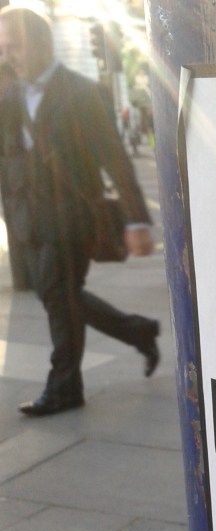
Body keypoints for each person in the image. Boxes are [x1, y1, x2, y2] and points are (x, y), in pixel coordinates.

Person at [0, 7, 160, 416]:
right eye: (3, 48)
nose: (7, 56)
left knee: (57, 294)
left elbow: (114, 158)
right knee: (59, 295)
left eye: (13, 47)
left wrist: (137, 219)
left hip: (71, 219)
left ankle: (64, 387)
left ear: (40, 43)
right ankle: (138, 331)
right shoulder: (9, 95)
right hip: (28, 220)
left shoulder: (81, 92)